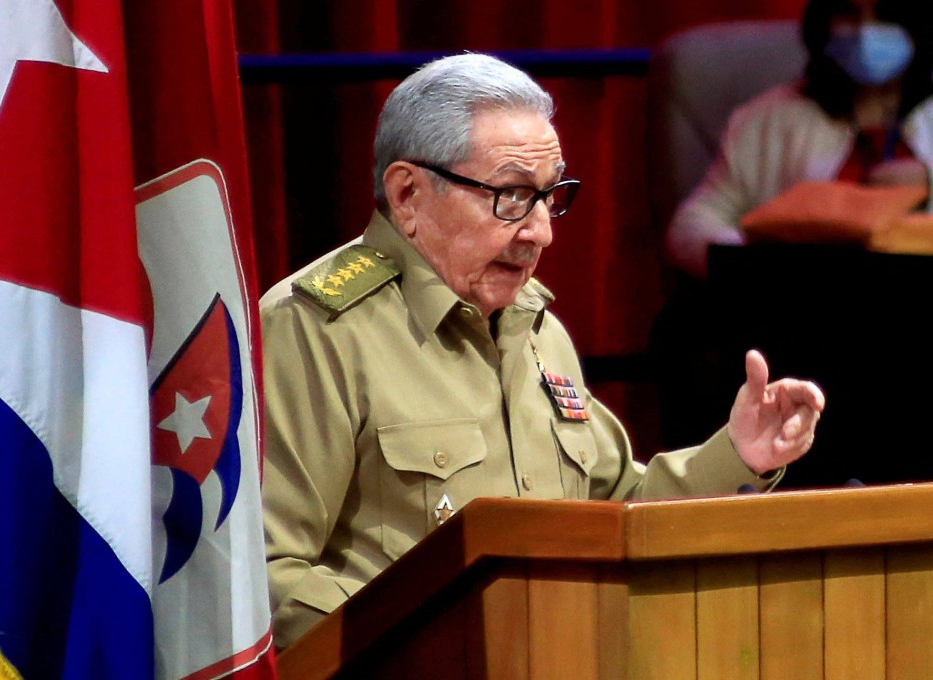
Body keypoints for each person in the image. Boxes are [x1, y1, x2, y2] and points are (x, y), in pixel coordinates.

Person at [259, 53, 826, 649]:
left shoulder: (536, 329)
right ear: (408, 195)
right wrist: (447, 643)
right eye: (510, 196)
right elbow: (267, 577)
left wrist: (739, 453)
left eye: (549, 196)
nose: (541, 232)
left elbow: (618, 517)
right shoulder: (315, 329)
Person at [666, 0, 933, 279]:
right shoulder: (768, 118)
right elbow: (694, 224)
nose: (866, 32)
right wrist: (753, 263)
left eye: (886, 16)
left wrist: (929, 178)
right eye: (848, 13)